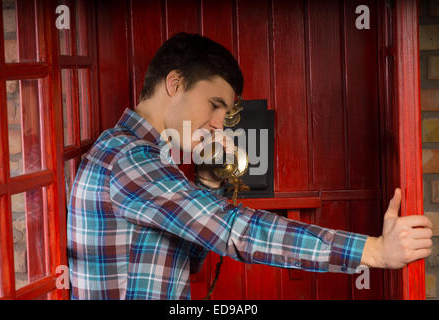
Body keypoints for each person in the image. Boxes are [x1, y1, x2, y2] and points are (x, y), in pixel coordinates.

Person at [67, 32, 433, 300]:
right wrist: (372, 251)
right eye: (213, 104)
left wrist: (208, 181)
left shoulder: (145, 157)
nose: (218, 123)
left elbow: (188, 258)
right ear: (174, 83)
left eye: (225, 114)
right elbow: (236, 230)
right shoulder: (131, 159)